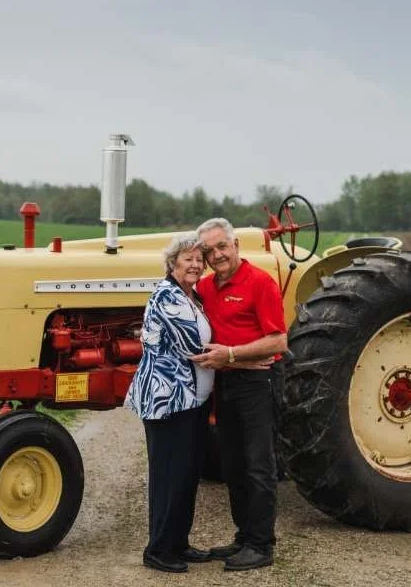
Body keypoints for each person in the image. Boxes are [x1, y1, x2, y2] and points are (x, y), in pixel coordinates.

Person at [190, 217, 287, 572]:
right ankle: (244, 536)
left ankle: (262, 545)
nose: (217, 255)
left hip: (257, 384)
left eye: (222, 247)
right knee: (232, 464)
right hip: (226, 383)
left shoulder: (260, 282)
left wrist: (231, 355)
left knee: (258, 465)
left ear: (235, 246)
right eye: (209, 250)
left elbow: (278, 341)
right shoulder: (205, 288)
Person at [123, 233, 215, 574]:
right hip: (168, 401)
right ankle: (158, 550)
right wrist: (242, 356)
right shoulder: (166, 296)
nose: (194, 264)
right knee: (168, 475)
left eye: (198, 260)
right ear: (172, 262)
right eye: (187, 258)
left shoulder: (192, 296)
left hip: (193, 401)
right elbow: (193, 345)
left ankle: (179, 543)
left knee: (187, 474)